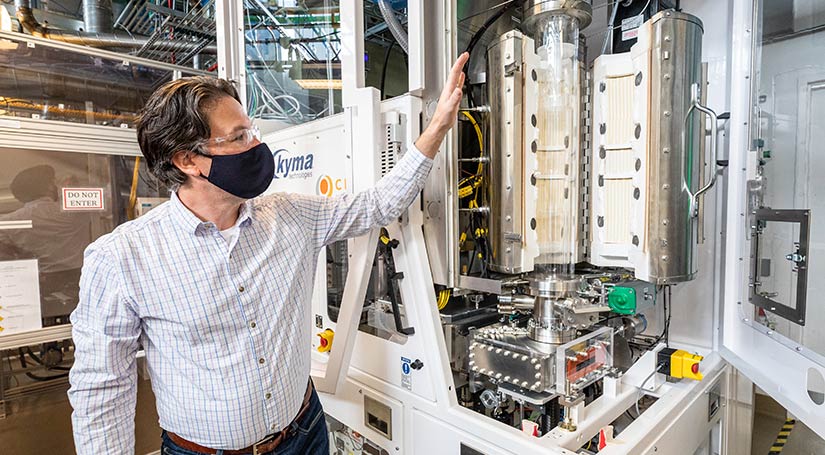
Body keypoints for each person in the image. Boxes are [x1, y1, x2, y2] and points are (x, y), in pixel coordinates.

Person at [68, 52, 469, 455]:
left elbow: (376, 206)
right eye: (239, 136)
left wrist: (437, 127)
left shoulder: (290, 215)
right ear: (188, 160)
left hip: (304, 433)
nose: (257, 146)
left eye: (253, 131)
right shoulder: (122, 258)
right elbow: (103, 391)